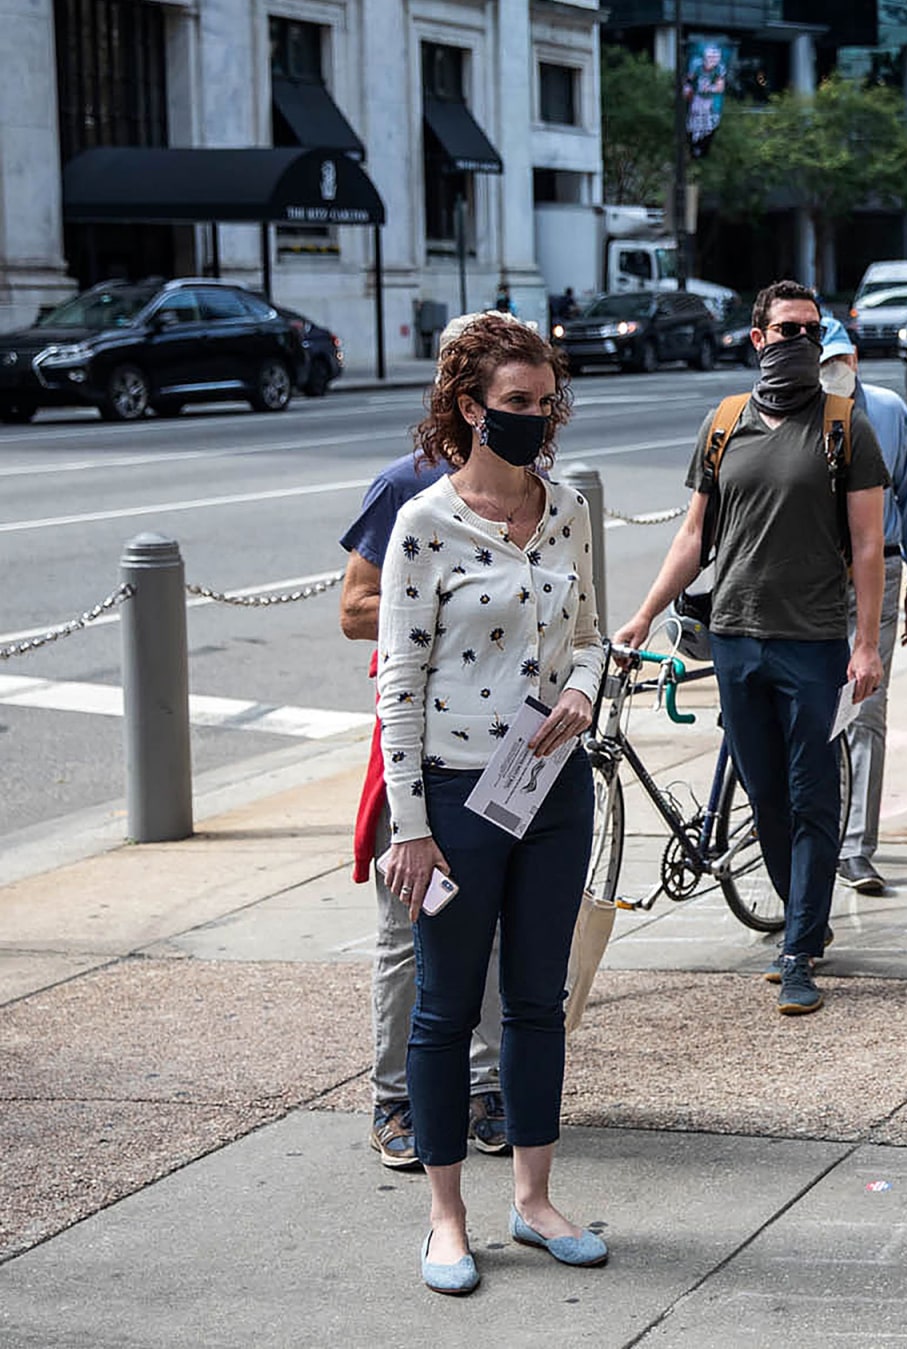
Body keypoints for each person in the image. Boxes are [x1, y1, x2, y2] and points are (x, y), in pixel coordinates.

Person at [374, 313, 607, 1293]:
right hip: (461, 798)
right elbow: (399, 681)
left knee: (537, 1001)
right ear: (469, 408)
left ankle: (535, 1197)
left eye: (546, 400)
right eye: (516, 403)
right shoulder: (424, 524)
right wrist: (413, 827)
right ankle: (445, 1216)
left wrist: (584, 689)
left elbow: (591, 631)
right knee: (442, 1006)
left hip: (554, 788)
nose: (537, 417)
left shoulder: (566, 509)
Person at [615, 281, 889, 1014]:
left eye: (811, 329)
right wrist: (643, 615)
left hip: (815, 640)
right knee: (765, 793)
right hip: (735, 636)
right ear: (757, 336)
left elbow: (868, 545)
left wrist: (867, 643)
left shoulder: (844, 426)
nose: (797, 340)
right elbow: (692, 535)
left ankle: (797, 947)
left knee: (811, 794)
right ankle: (806, 911)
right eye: (785, 328)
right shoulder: (725, 421)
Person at [339, 318, 507, 1173]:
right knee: (410, 923)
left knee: (490, 932)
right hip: (414, 737)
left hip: (505, 746)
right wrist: (436, 610)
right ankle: (393, 1098)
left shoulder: (530, 484)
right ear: (461, 392)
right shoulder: (404, 487)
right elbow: (353, 609)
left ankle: (484, 1087)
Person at [815, 319, 907, 897]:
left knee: (865, 707)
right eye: (823, 360)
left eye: (841, 359)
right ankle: (818, 833)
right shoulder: (798, 411)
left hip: (880, 571)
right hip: (811, 575)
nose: (834, 371)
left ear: (857, 358)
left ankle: (857, 846)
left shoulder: (887, 410)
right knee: (814, 708)